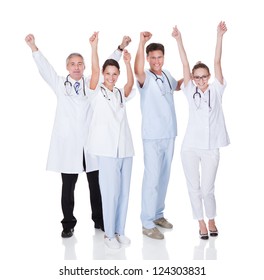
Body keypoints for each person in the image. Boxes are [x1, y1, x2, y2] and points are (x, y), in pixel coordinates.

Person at [25, 33, 131, 238]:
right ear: (67, 67)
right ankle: (68, 224)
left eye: (80, 64)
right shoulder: (59, 83)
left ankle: (99, 220)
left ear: (84, 67)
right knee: (68, 187)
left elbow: (107, 68)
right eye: (72, 64)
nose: (76, 67)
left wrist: (120, 47)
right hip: (69, 144)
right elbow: (44, 68)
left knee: (96, 186)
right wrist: (33, 47)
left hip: (91, 144)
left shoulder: (92, 83)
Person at [172, 21, 230, 239]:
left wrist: (219, 36)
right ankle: (201, 223)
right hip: (190, 147)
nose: (201, 80)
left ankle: (212, 218)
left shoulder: (217, 89)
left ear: (209, 77)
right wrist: (178, 40)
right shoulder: (189, 90)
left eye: (204, 76)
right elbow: (185, 65)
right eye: (197, 77)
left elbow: (217, 61)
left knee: (208, 188)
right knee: (193, 188)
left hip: (211, 147)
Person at [86, 37, 135, 249]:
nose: (111, 77)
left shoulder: (118, 93)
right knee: (109, 192)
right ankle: (108, 235)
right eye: (108, 74)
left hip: (125, 148)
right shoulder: (95, 92)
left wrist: (127, 63)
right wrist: (94, 47)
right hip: (106, 149)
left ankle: (120, 231)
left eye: (115, 74)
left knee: (124, 192)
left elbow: (130, 85)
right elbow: (95, 70)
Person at [134, 32, 182, 240]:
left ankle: (158, 215)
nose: (156, 61)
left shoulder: (167, 75)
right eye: (152, 57)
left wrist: (194, 74)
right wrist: (141, 42)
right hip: (152, 136)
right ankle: (146, 222)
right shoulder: (145, 76)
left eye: (159, 57)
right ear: (148, 59)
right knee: (152, 179)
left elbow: (178, 85)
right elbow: (136, 70)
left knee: (164, 178)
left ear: (163, 57)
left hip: (169, 133)